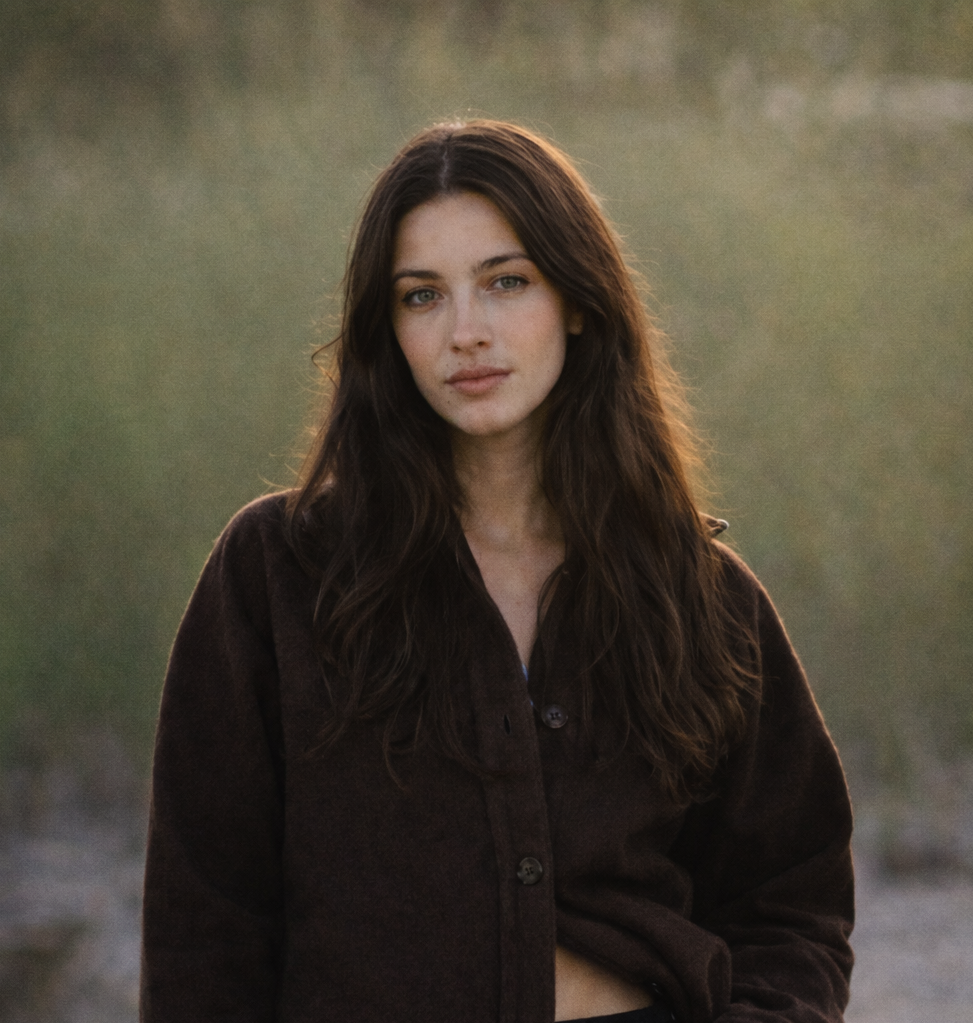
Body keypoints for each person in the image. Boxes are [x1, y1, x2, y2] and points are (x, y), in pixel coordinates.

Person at [140, 120, 854, 1023]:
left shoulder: (701, 596)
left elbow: (792, 899)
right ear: (385, 328)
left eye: (505, 282)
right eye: (421, 295)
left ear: (578, 300)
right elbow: (205, 922)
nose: (465, 332)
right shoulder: (276, 576)